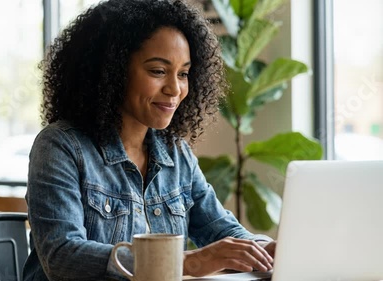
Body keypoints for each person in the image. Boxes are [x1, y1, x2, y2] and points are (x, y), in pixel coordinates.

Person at [24, 0, 276, 280]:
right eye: (158, 71)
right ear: (113, 70)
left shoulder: (175, 154)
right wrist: (187, 263)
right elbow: (62, 256)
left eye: (183, 74)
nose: (175, 89)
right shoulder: (61, 147)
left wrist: (270, 250)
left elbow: (221, 229)